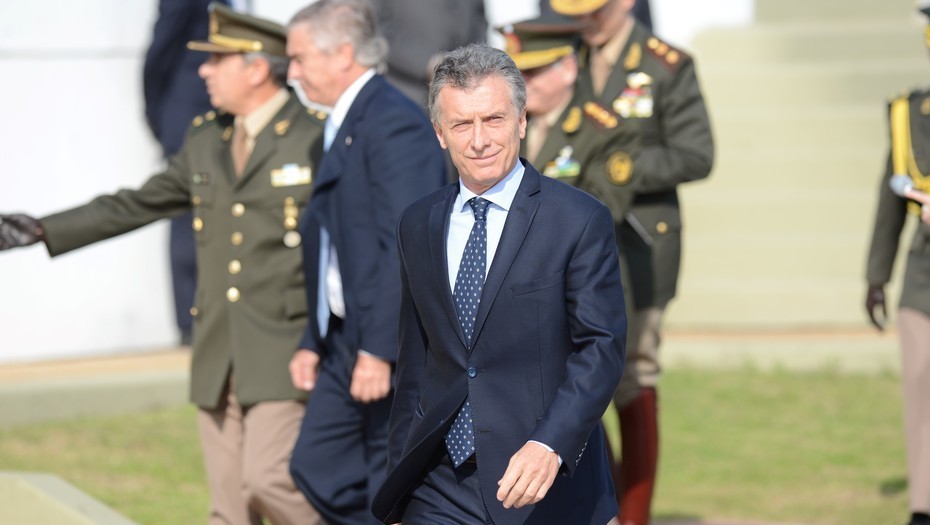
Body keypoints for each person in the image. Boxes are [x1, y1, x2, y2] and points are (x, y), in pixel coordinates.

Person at [0, 5, 325, 525]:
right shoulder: (206, 139)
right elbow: (137, 204)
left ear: (257, 68)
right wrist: (42, 229)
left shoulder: (315, 137)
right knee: (229, 510)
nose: (203, 71)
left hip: (283, 349)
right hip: (218, 350)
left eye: (216, 60)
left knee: (268, 479)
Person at [371, 43, 627, 525]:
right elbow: (416, 366)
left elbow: (601, 348)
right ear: (439, 133)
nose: (479, 140)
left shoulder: (577, 220)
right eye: (461, 124)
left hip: (542, 481)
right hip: (440, 485)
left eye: (493, 120)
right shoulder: (417, 223)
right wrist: (400, 488)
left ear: (522, 122)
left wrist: (550, 444)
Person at [550, 1, 714, 523]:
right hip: (572, 247)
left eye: (595, 9)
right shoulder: (565, 57)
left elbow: (697, 154)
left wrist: (620, 166)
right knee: (570, 371)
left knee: (634, 373)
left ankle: (636, 513)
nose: (585, 19)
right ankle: (606, 506)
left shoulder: (667, 65)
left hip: (640, 245)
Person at [283, 1, 448, 523]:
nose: (291, 73)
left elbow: (404, 245)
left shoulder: (392, 122)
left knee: (387, 474)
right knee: (316, 465)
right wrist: (313, 338)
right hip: (344, 335)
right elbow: (334, 245)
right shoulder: (343, 120)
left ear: (343, 55)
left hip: (388, 338)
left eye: (299, 58)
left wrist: (378, 350)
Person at [865, 5, 930, 524]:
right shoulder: (910, 113)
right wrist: (876, 277)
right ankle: (923, 505)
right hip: (923, 271)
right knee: (920, 382)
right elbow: (889, 203)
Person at [144, 0, 227, 346]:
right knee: (187, 218)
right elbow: (159, 53)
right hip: (187, 115)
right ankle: (189, 324)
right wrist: (158, 116)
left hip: (225, 115)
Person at [372, 0, 488, 111]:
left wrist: (473, 61)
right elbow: (376, 28)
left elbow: (478, 18)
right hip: (409, 93)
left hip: (466, 91)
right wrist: (427, 63)